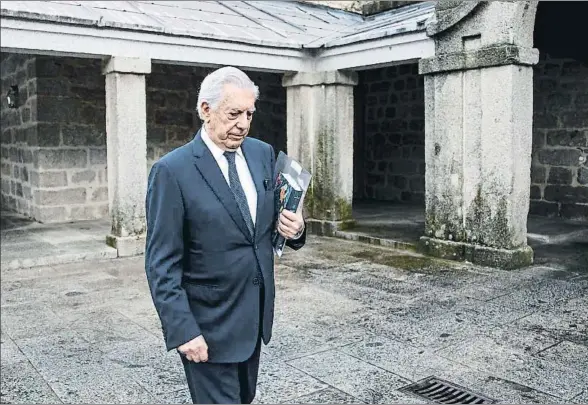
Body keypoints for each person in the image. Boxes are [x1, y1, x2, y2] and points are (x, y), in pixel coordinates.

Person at [144, 66, 307, 404]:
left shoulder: (263, 154)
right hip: (207, 325)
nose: (244, 124)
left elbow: (269, 223)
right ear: (206, 110)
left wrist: (296, 227)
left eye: (249, 113)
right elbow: (161, 263)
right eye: (234, 113)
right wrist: (183, 330)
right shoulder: (171, 171)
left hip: (254, 317)